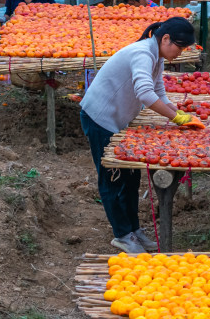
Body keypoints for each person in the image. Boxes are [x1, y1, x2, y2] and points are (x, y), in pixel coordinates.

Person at [80, 17, 196, 253]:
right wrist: (175, 118)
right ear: (165, 39)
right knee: (112, 179)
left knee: (131, 178)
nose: (181, 53)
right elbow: (144, 93)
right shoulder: (142, 53)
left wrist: (179, 113)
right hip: (100, 118)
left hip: (119, 120)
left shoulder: (157, 56)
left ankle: (134, 230)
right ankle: (122, 234)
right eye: (180, 47)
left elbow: (157, 90)